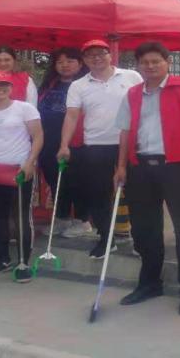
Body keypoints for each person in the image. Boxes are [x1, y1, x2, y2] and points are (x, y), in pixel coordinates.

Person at [113, 42, 180, 317]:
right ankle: (149, 283)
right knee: (145, 228)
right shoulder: (133, 93)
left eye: (156, 61)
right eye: (145, 62)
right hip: (140, 166)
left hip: (176, 166)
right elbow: (124, 130)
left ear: (167, 62)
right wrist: (121, 166)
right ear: (139, 66)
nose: (150, 66)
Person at [58, 39, 143, 256]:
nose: (96, 58)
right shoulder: (78, 85)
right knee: (98, 195)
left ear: (109, 55)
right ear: (84, 60)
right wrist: (64, 145)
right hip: (96, 144)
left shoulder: (132, 77)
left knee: (137, 193)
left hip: (131, 143)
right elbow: (72, 116)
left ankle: (141, 241)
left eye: (101, 53)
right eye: (90, 55)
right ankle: (106, 239)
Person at [0, 71, 43, 281]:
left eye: (5, 85)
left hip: (20, 169)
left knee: (21, 217)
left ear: (12, 88)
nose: (1, 89)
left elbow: (38, 136)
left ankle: (23, 262)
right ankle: (2, 258)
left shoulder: (24, 108)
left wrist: (30, 162)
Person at [37, 47, 89, 238]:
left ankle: (82, 220)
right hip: (48, 140)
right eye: (60, 62)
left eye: (70, 61)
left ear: (80, 64)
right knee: (55, 179)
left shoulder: (86, 85)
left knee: (76, 180)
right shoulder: (49, 85)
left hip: (76, 140)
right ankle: (62, 218)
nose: (64, 65)